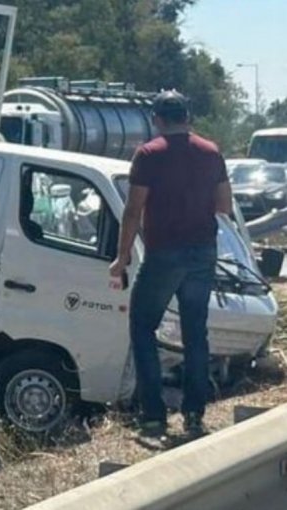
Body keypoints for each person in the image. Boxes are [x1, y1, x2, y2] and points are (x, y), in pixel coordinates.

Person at [110, 91, 232, 439]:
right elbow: (223, 205)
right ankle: (194, 415)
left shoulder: (148, 154)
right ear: (188, 116)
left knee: (143, 327)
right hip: (202, 253)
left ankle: (154, 416)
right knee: (196, 332)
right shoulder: (211, 152)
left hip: (165, 253)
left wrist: (122, 258)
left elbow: (133, 210)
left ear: (157, 119)